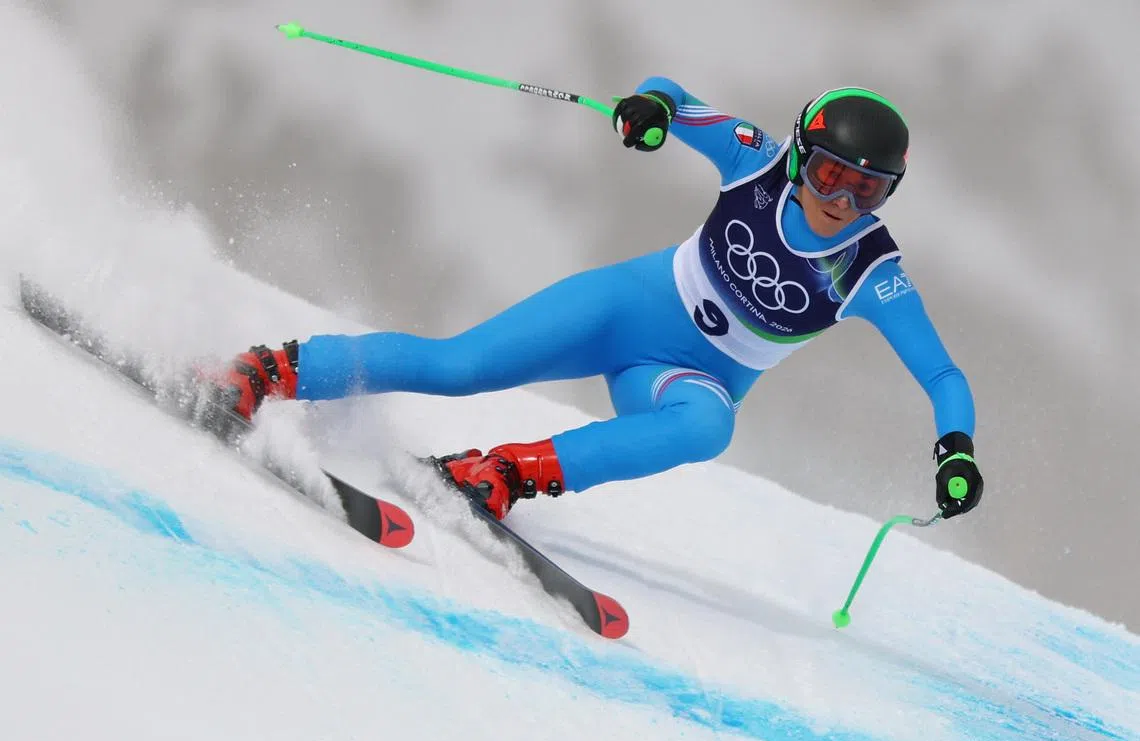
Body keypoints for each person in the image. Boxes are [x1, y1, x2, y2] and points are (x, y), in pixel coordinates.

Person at [218, 78, 984, 522]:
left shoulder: (870, 270)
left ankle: (507, 474)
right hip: (627, 308)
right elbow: (675, 99)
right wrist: (648, 109)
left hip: (688, 377)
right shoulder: (757, 161)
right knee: (461, 368)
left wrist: (956, 449)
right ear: (800, 158)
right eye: (828, 177)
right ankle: (273, 369)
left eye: (869, 189)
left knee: (709, 427)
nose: (843, 202)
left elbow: (943, 375)